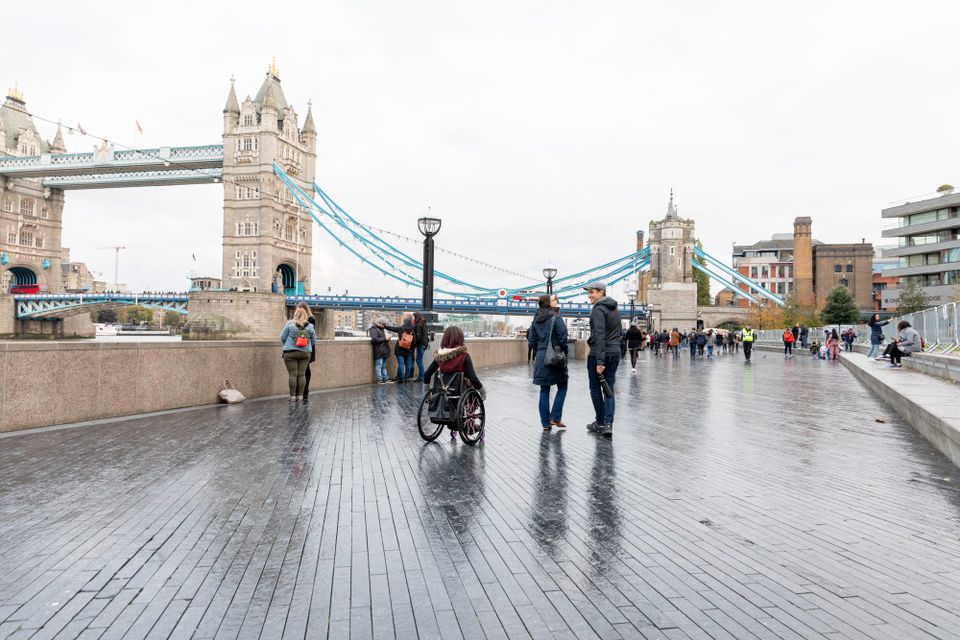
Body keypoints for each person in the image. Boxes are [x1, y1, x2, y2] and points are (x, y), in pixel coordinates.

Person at [584, 281, 621, 437]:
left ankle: (600, 421)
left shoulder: (598, 309)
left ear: (601, 292)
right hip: (614, 353)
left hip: (599, 354)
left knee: (595, 388)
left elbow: (599, 335)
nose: (589, 295)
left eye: (592, 292)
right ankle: (608, 424)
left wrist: (599, 362)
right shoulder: (615, 309)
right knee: (609, 389)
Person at [527, 295, 569, 430]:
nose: (557, 301)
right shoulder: (556, 317)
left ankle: (545, 424)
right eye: (554, 300)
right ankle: (555, 417)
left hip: (541, 356)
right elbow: (563, 338)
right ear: (548, 304)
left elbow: (531, 341)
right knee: (562, 385)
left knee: (544, 390)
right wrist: (564, 353)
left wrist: (540, 351)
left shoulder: (535, 320)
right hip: (555, 355)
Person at [423, 325, 486, 397]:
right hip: (458, 392)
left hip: (440, 391)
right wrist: (482, 391)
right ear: (460, 339)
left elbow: (427, 374)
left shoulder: (440, 355)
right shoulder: (464, 356)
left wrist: (426, 392)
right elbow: (473, 378)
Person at [280, 305, 316, 401]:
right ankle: (300, 396)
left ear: (295, 314)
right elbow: (313, 340)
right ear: (305, 315)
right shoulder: (310, 326)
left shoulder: (289, 324)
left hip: (290, 352)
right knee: (301, 374)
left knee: (292, 375)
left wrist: (286, 345)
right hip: (305, 353)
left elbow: (282, 337)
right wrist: (306, 345)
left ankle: (292, 396)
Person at [294, 302, 318, 398]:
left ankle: (305, 390)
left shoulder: (310, 319)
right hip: (306, 346)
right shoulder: (311, 319)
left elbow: (307, 333)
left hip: (307, 347)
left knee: (305, 369)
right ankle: (302, 391)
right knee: (303, 369)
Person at [384, 313, 416, 382]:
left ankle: (401, 379)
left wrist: (384, 326)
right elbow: (415, 340)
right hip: (409, 349)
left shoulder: (401, 328)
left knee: (401, 364)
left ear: (404, 322)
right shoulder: (413, 329)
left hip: (400, 349)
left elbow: (391, 328)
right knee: (408, 365)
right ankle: (406, 378)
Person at [369, 318, 391, 383]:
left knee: (383, 366)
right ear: (379, 323)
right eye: (383, 325)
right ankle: (380, 379)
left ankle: (386, 378)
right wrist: (385, 338)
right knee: (379, 365)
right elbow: (374, 339)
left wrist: (387, 339)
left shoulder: (381, 329)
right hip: (379, 350)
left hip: (384, 350)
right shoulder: (373, 329)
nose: (384, 326)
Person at [413, 311, 429, 382]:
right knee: (419, 360)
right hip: (425, 344)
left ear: (416, 317)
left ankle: (422, 377)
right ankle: (422, 376)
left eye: (414, 317)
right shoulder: (424, 324)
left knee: (419, 360)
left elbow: (418, 337)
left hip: (421, 345)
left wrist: (414, 343)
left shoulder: (418, 325)